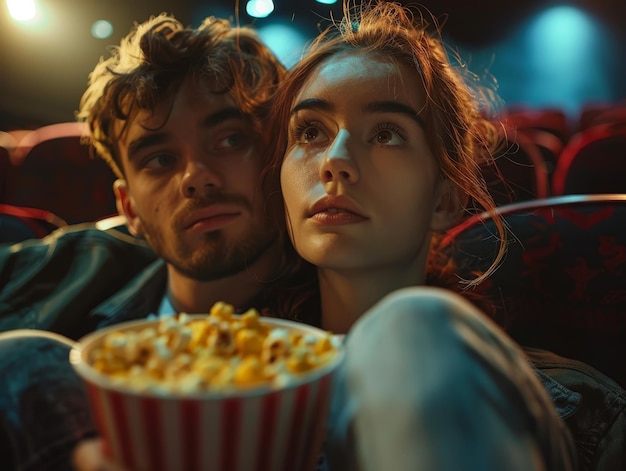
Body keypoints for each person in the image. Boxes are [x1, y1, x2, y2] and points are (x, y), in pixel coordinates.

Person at [261, 1, 625, 470]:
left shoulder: (584, 411)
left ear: (444, 201)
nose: (335, 160)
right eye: (310, 130)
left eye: (386, 133)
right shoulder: (225, 380)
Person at [0, 12, 309, 470]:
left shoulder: (333, 324)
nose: (196, 178)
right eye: (160, 159)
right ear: (128, 209)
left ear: (281, 157)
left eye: (229, 140)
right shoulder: (61, 269)